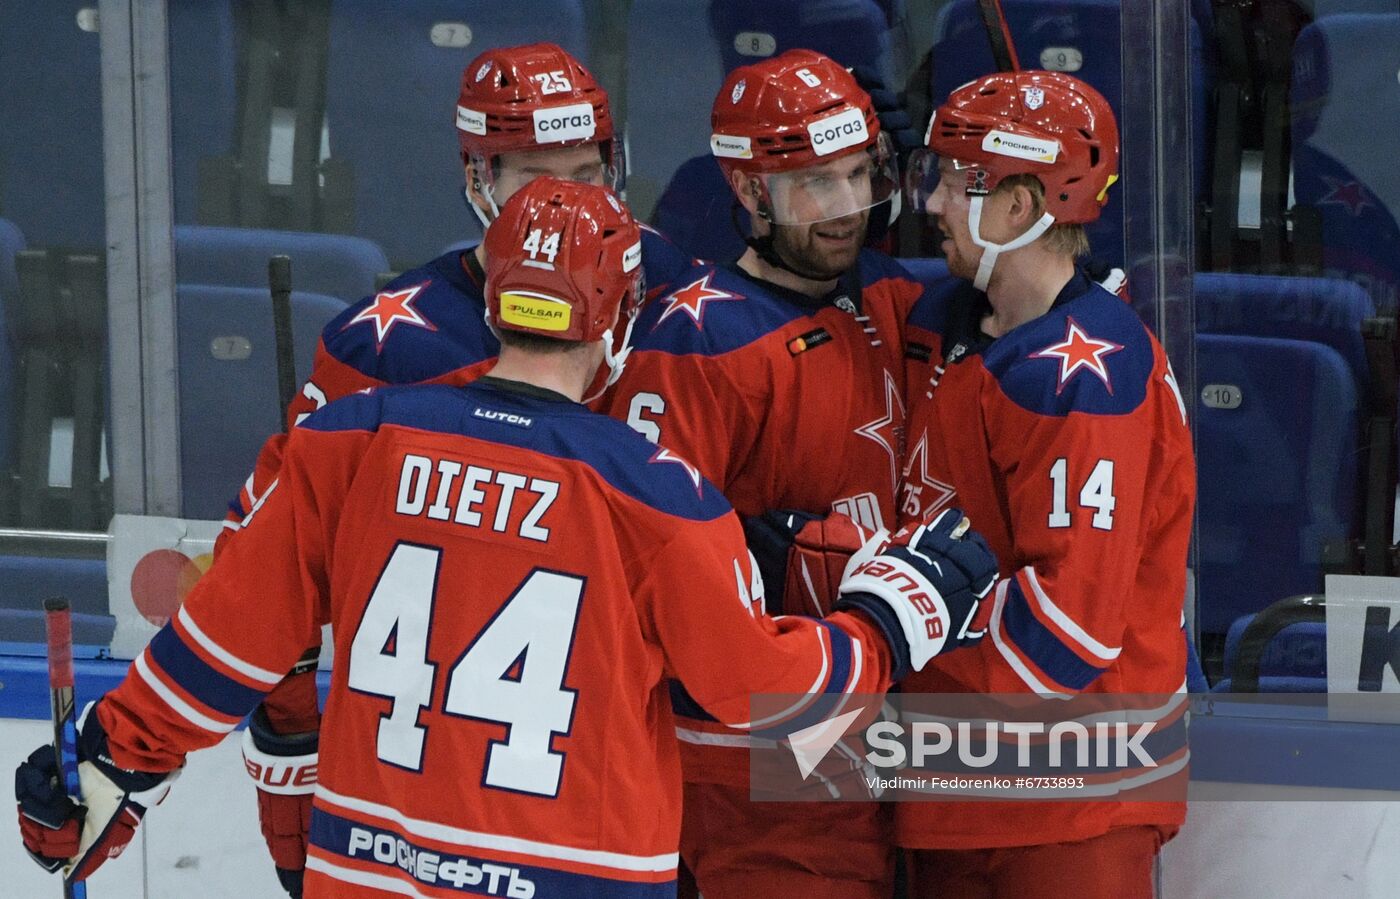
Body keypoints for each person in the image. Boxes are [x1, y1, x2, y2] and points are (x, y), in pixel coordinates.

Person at [14, 178, 999, 898]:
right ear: (621, 315)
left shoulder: (351, 441)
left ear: (492, 301)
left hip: (370, 873)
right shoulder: (656, 494)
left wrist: (111, 762)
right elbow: (760, 695)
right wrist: (887, 616)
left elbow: (223, 642)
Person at [214, 41, 692, 897]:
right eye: (535, 176)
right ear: (478, 179)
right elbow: (266, 568)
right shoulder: (388, 348)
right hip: (456, 775)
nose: (567, 202)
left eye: (587, 173)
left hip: (646, 766)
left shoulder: (677, 302)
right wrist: (292, 781)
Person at [602, 49, 929, 899]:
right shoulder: (694, 342)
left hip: (872, 732)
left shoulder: (891, 298)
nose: (847, 207)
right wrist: (762, 565)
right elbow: (634, 564)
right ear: (749, 191)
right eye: (815, 184)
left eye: (858, 174)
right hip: (749, 765)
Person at [897, 70, 1196, 898]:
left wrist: (890, 612)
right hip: (955, 788)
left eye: (956, 182)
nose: (933, 203)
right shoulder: (958, 324)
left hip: (1073, 798)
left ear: (1020, 207)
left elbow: (1067, 633)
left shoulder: (1086, 378)